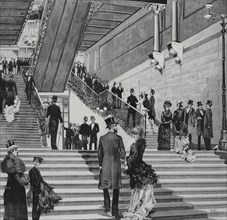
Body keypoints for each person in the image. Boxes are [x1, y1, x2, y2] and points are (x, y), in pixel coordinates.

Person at [122, 126, 157, 220]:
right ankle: (138, 208)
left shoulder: (135, 144)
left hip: (135, 168)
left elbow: (134, 156)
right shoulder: (141, 143)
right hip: (140, 166)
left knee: (137, 190)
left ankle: (135, 209)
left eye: (133, 134)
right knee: (140, 190)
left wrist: (127, 161)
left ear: (136, 135)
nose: (132, 136)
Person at [98, 115, 126, 219]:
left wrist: (100, 165)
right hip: (115, 166)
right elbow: (123, 154)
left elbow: (99, 154)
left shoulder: (102, 138)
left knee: (105, 185)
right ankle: (115, 212)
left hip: (105, 164)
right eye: (116, 125)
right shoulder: (118, 138)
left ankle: (106, 205)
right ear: (113, 126)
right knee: (116, 188)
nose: (117, 127)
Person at [1, 140, 28, 220]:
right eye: (16, 150)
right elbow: (18, 176)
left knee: (12, 210)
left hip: (11, 187)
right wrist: (25, 181)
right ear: (12, 151)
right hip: (16, 188)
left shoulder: (7, 161)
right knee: (17, 211)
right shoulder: (14, 161)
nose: (18, 151)